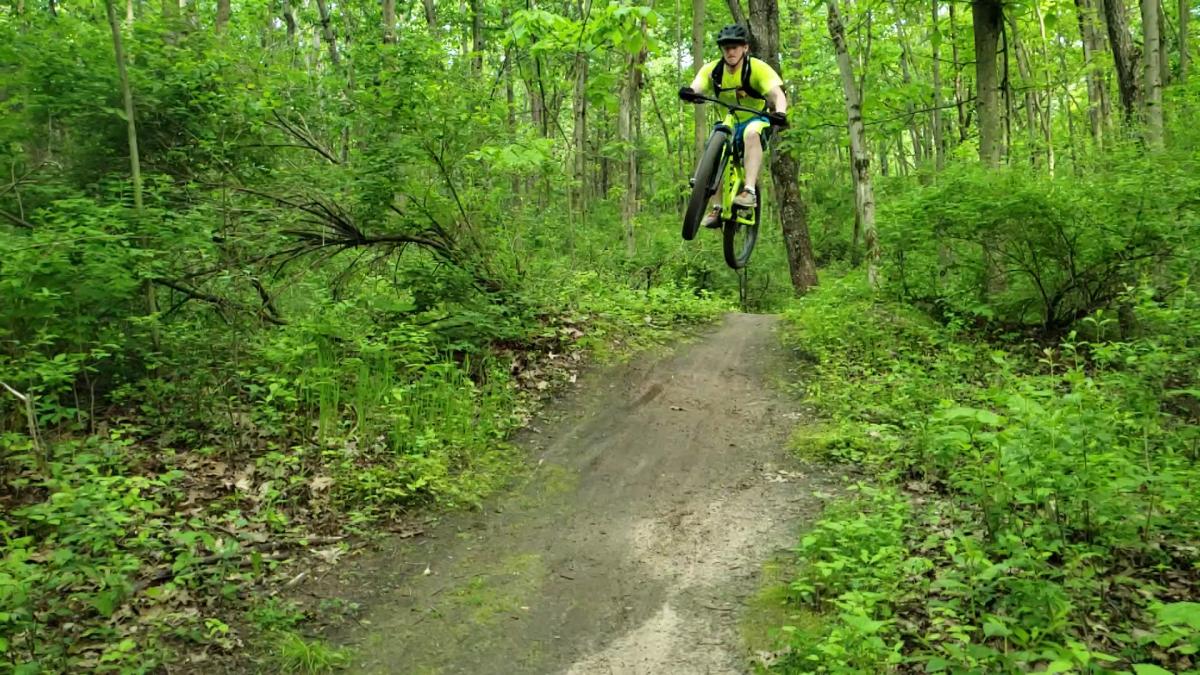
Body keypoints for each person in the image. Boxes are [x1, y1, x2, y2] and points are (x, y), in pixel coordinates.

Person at [678, 24, 789, 228]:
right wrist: (689, 92)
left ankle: (749, 191)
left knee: (751, 133)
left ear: (745, 48)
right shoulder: (713, 70)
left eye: (735, 47)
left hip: (756, 120)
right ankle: (716, 207)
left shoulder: (757, 68)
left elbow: (777, 94)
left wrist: (780, 112)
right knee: (716, 143)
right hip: (729, 122)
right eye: (726, 47)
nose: (730, 52)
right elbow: (698, 85)